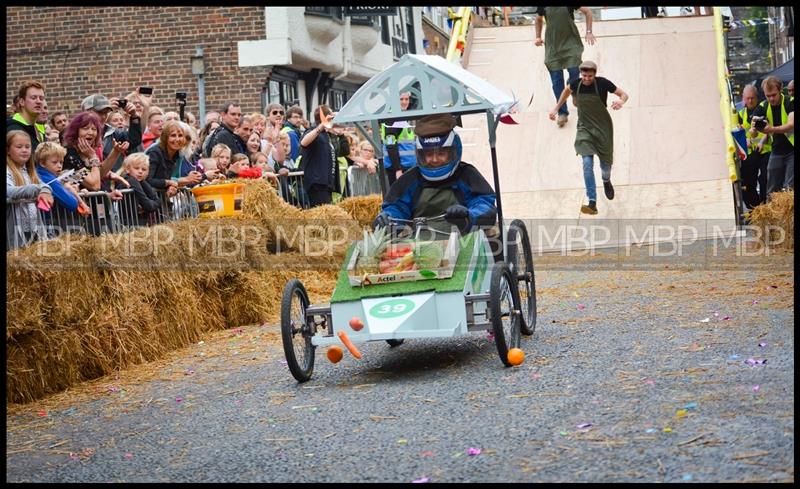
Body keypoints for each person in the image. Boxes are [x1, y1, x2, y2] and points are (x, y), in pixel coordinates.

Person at [373, 114, 497, 236]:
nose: (434, 159)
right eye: (428, 154)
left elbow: (485, 205)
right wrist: (388, 218)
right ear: (420, 154)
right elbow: (397, 207)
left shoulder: (466, 174)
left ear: (454, 150)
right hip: (419, 247)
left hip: (463, 244)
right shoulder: (411, 179)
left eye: (441, 153)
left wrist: (469, 216)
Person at [549, 60, 629, 215]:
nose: (586, 79)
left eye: (590, 76)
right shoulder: (575, 84)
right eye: (584, 75)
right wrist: (556, 109)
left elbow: (624, 94)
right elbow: (564, 94)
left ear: (595, 74)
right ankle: (592, 201)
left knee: (605, 166)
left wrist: (621, 101)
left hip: (603, 128)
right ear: (581, 74)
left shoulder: (603, 83)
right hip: (584, 128)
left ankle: (606, 181)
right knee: (586, 163)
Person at [535, 7, 596, 128]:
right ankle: (562, 112)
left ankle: (572, 88)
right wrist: (537, 36)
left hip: (571, 43)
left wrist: (589, 31)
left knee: (574, 71)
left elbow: (588, 12)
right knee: (557, 81)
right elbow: (538, 19)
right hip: (553, 46)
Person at [6, 130, 54, 249]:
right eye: (19, 147)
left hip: (33, 227)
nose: (24, 150)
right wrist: (37, 189)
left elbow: (45, 185)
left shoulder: (29, 172)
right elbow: (10, 191)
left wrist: (45, 191)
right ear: (7, 150)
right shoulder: (7, 171)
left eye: (27, 146)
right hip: (14, 229)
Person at [751, 76, 794, 197]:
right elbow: (753, 132)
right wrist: (754, 128)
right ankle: (772, 215)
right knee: (772, 189)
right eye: (767, 96)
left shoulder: (790, 102)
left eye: (774, 95)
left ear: (780, 89)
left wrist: (771, 129)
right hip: (776, 151)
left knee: (790, 188)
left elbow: (791, 125)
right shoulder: (763, 106)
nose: (771, 99)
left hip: (792, 150)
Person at [737, 85, 770, 207]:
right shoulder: (740, 115)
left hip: (765, 150)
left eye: (752, 98)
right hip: (749, 154)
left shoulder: (764, 110)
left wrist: (762, 141)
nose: (750, 101)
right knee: (748, 184)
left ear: (757, 97)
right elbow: (737, 133)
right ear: (743, 98)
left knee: (765, 180)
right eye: (747, 98)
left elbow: (770, 129)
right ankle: (756, 209)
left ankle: (765, 206)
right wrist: (745, 140)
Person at [380, 91, 416, 186]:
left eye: (406, 99)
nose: (404, 102)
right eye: (401, 99)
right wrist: (398, 169)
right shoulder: (393, 118)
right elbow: (390, 144)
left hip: (407, 165)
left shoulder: (401, 115)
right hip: (398, 168)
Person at [117, 153, 163, 227]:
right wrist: (153, 204)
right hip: (127, 224)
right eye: (136, 168)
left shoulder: (141, 181)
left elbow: (156, 200)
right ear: (128, 169)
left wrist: (153, 203)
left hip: (137, 222)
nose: (140, 171)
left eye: (144, 169)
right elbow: (149, 205)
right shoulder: (130, 180)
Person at [7, 80, 47, 151]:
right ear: (22, 102)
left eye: (41, 98)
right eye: (33, 98)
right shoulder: (12, 128)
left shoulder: (39, 128)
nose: (38, 101)